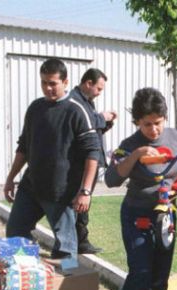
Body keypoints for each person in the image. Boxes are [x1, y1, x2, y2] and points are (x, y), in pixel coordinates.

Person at [104, 87, 177, 290]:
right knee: (140, 272)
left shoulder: (173, 137)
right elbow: (111, 179)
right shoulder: (129, 145)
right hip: (137, 213)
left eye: (158, 123)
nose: (153, 130)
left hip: (166, 214)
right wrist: (137, 155)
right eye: (147, 124)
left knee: (160, 275)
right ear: (137, 121)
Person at [3, 58, 102, 261]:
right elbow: (23, 147)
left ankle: (70, 289)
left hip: (61, 192)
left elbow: (93, 153)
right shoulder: (35, 109)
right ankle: (29, 276)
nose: (48, 88)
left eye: (53, 83)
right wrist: (11, 177)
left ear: (65, 82)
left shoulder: (76, 111)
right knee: (15, 233)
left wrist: (85, 191)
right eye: (44, 83)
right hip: (31, 187)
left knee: (66, 248)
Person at [69, 68, 118, 254]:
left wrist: (106, 123)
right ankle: (73, 245)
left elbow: (89, 131)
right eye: (98, 88)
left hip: (89, 163)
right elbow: (84, 123)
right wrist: (101, 118)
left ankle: (79, 241)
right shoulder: (75, 101)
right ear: (88, 83)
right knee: (79, 203)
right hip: (80, 165)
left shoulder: (87, 101)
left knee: (83, 204)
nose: (99, 93)